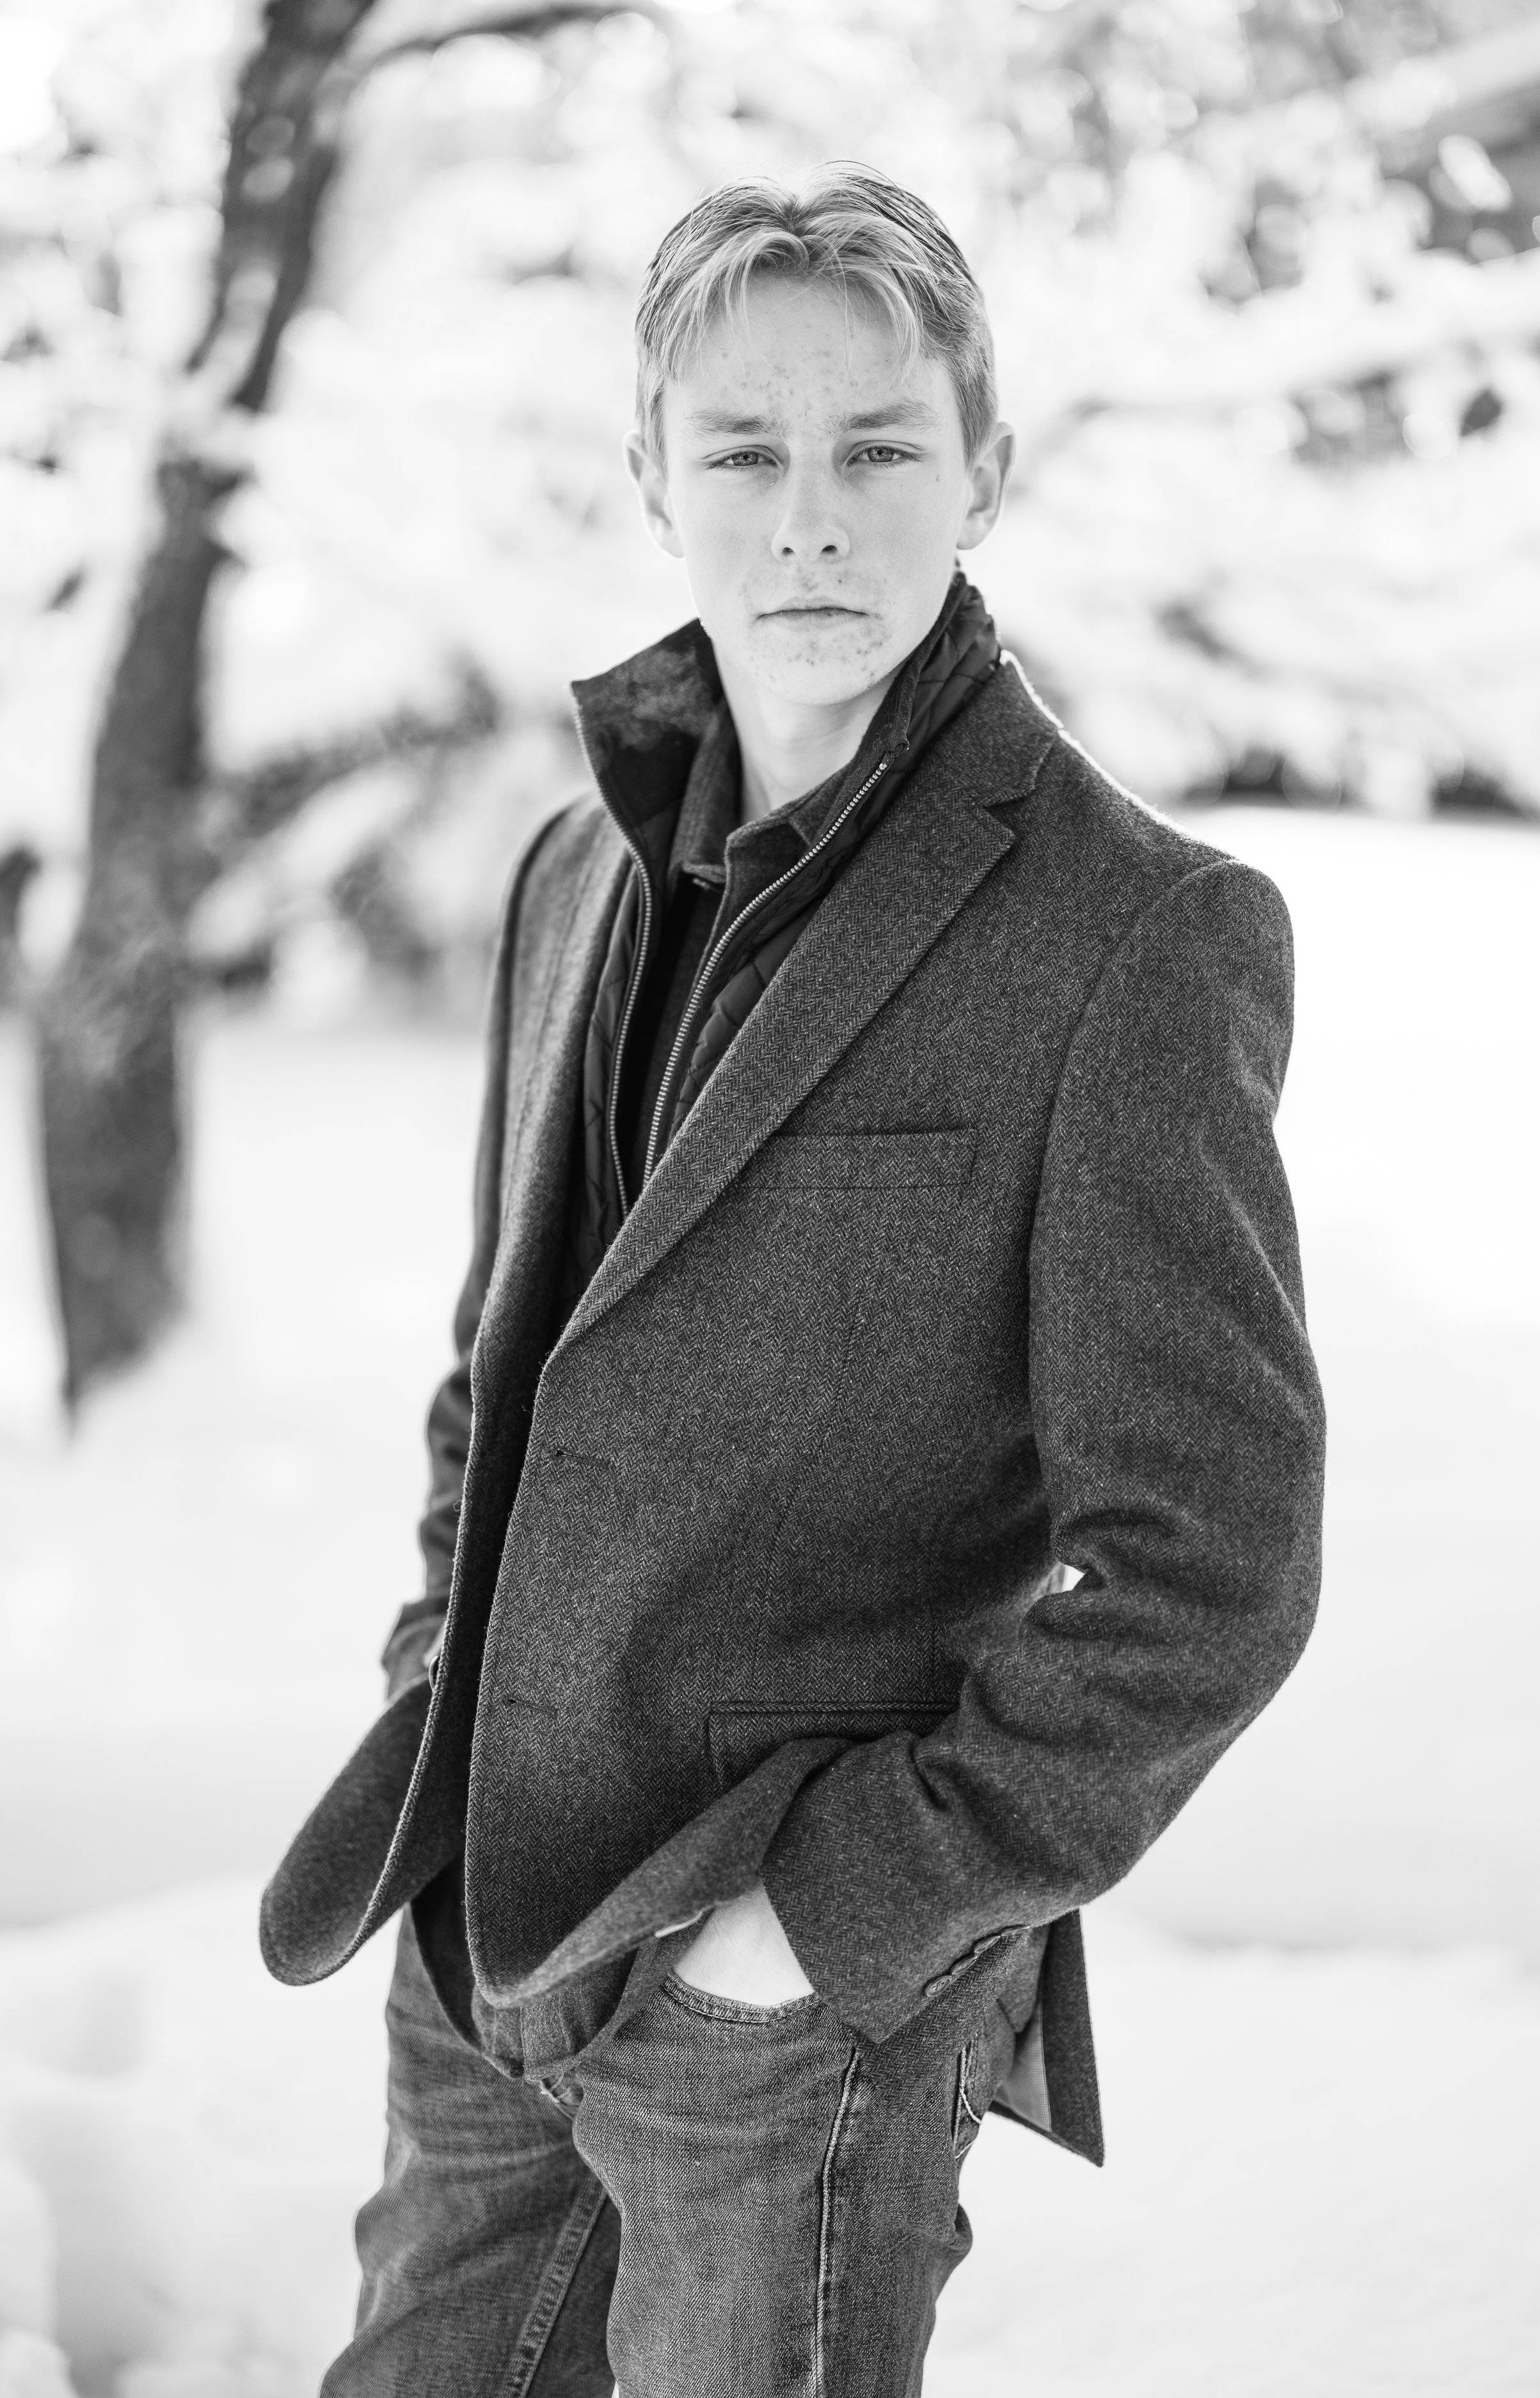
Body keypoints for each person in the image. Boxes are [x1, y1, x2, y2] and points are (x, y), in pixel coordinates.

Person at [261, 161, 1326, 2397]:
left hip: (784, 2001)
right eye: (742, 451)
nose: (810, 517)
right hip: (487, 1925)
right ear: (653, 477)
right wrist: (442, 1683)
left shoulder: (1138, 933)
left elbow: (1207, 1562)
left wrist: (829, 1916)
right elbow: (504, 1375)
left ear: (983, 469)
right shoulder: (571, 866)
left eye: (877, 449)